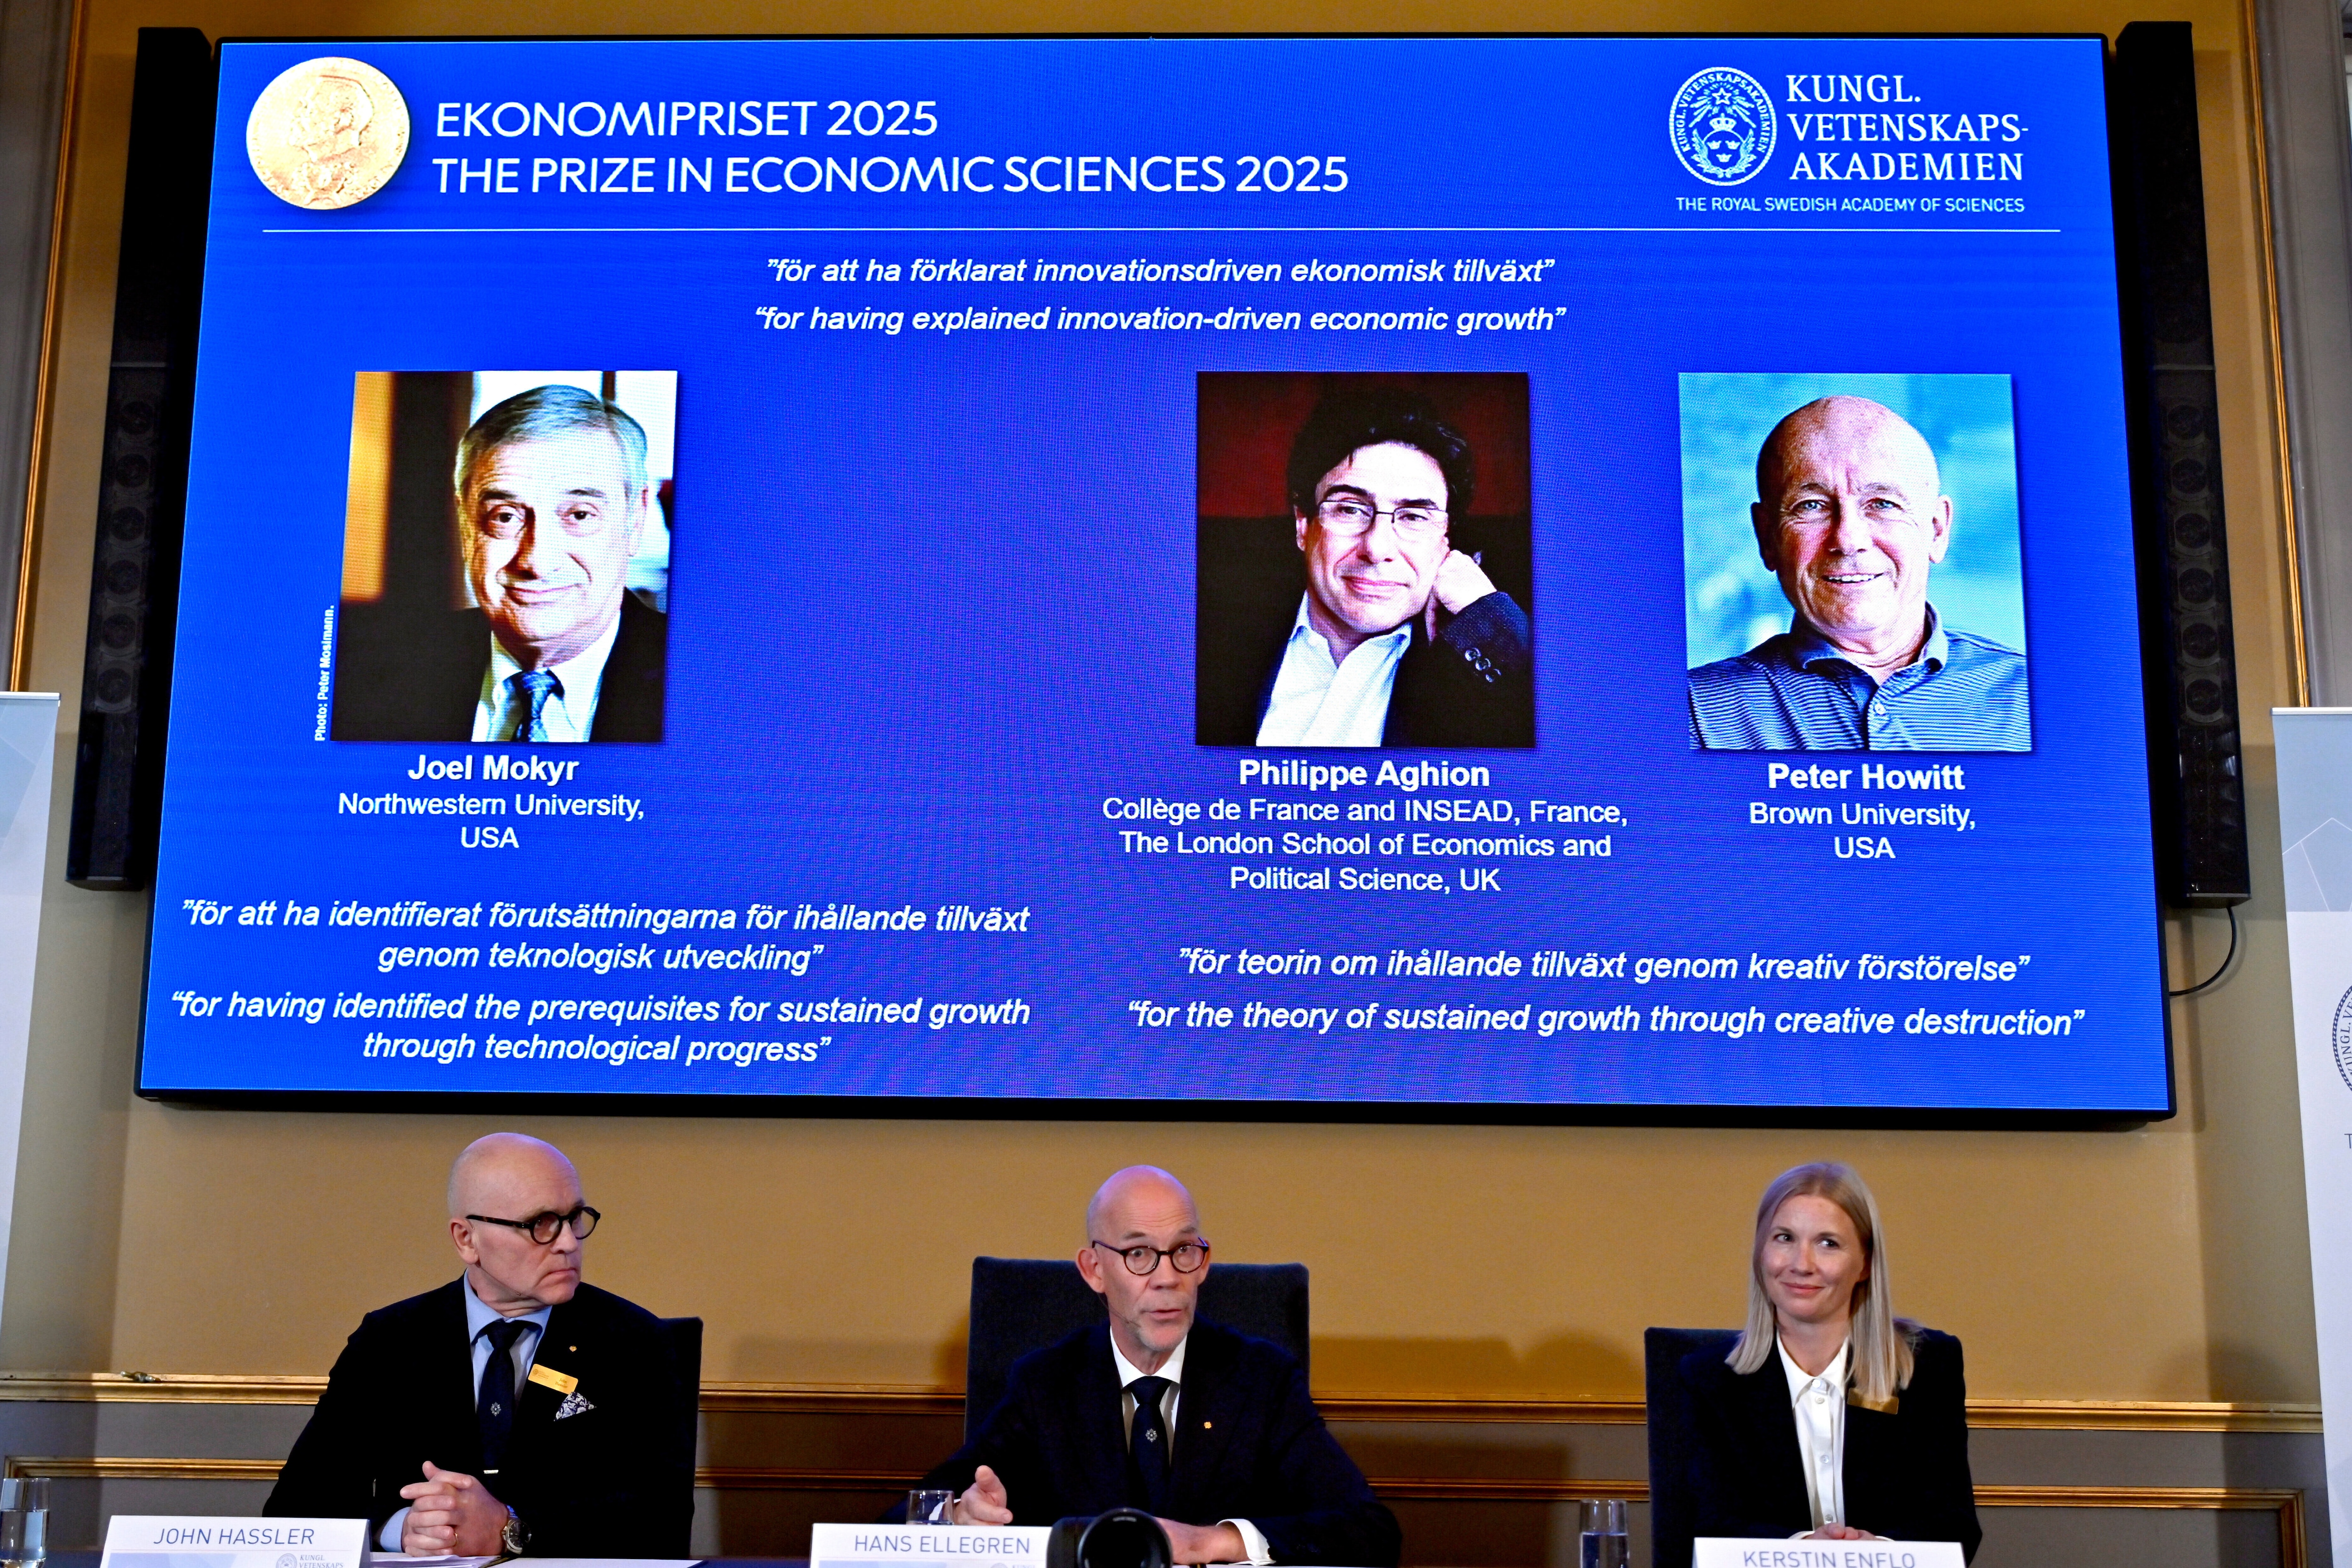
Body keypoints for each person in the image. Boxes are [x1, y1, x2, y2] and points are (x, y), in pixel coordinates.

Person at [913, 1166, 1400, 1566]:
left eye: (1184, 1251)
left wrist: (1215, 1541)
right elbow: (904, 1521)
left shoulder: (1260, 1381)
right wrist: (956, 1520)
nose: (1167, 1278)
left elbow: (1371, 1531)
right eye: (1139, 1254)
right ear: (1093, 1270)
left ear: (1204, 1263)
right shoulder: (1047, 1386)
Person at [263, 1133, 693, 1556]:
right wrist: (404, 1527)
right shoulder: (390, 1340)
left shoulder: (634, 1341)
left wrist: (512, 1528)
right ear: (466, 1239)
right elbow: (296, 1507)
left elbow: (662, 1518)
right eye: (540, 1224)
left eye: (575, 1217)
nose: (567, 1243)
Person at [1687, 395, 2028, 751]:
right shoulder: (1694, 714)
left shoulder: (2033, 699)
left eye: (1883, 504)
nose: (1848, 540)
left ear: (1937, 530)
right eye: (1812, 506)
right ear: (1767, 537)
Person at [331, 383, 667, 742]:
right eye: (505, 517)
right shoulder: (364, 678)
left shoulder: (710, 684)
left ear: (635, 519)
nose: (537, 562)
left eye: (580, 515)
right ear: (465, 526)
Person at [1677, 1162, 1980, 1558]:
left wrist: (1878, 1554)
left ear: (1866, 1264)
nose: (1801, 1264)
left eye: (1828, 1243)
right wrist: (1803, 1550)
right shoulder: (1709, 1379)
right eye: (1784, 1237)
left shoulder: (1928, 1367)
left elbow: (1953, 1522)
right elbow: (1705, 1525)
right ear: (1760, 1251)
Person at [1197, 390, 1534, 747]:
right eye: (1350, 510)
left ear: (1446, 540)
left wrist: (1489, 617)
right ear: (1303, 525)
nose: (1377, 549)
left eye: (1414, 517)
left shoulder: (1485, 660)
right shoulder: (1211, 638)